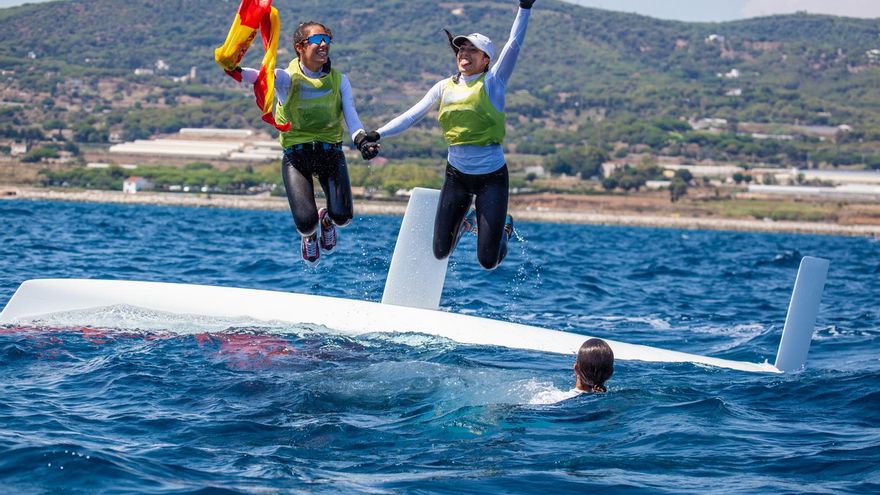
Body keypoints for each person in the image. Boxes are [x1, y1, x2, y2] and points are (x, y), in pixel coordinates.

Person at [362, 0, 536, 269]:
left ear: (486, 59)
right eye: (461, 48)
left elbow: (514, 42)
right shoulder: (443, 87)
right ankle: (465, 223)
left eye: (472, 50)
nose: (464, 53)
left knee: (488, 261)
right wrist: (377, 134)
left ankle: (503, 231)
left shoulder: (494, 81)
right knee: (441, 252)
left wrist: (524, 8)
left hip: (492, 178)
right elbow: (411, 115)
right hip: (457, 176)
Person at [239, 21, 379, 266]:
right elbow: (257, 76)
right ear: (299, 48)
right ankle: (311, 234)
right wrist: (233, 68)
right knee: (305, 223)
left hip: (330, 154)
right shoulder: (286, 78)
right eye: (316, 40)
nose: (323, 44)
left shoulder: (340, 80)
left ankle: (327, 221)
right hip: (297, 158)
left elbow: (352, 117)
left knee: (343, 218)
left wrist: (361, 140)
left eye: (326, 39)